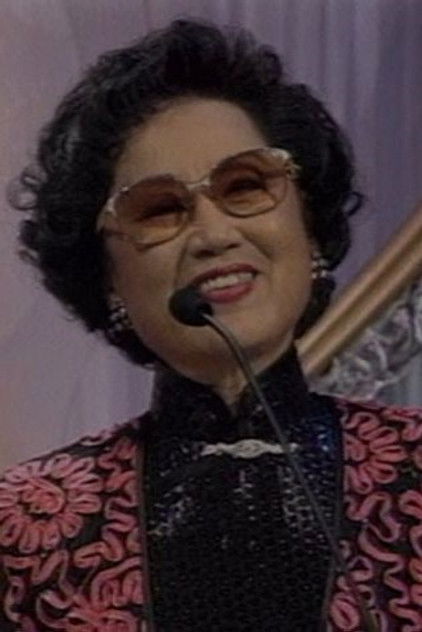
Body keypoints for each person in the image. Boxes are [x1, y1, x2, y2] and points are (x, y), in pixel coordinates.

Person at [0, 19, 421, 632]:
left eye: (245, 186)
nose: (214, 235)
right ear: (109, 278)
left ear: (308, 228)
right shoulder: (24, 526)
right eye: (160, 209)